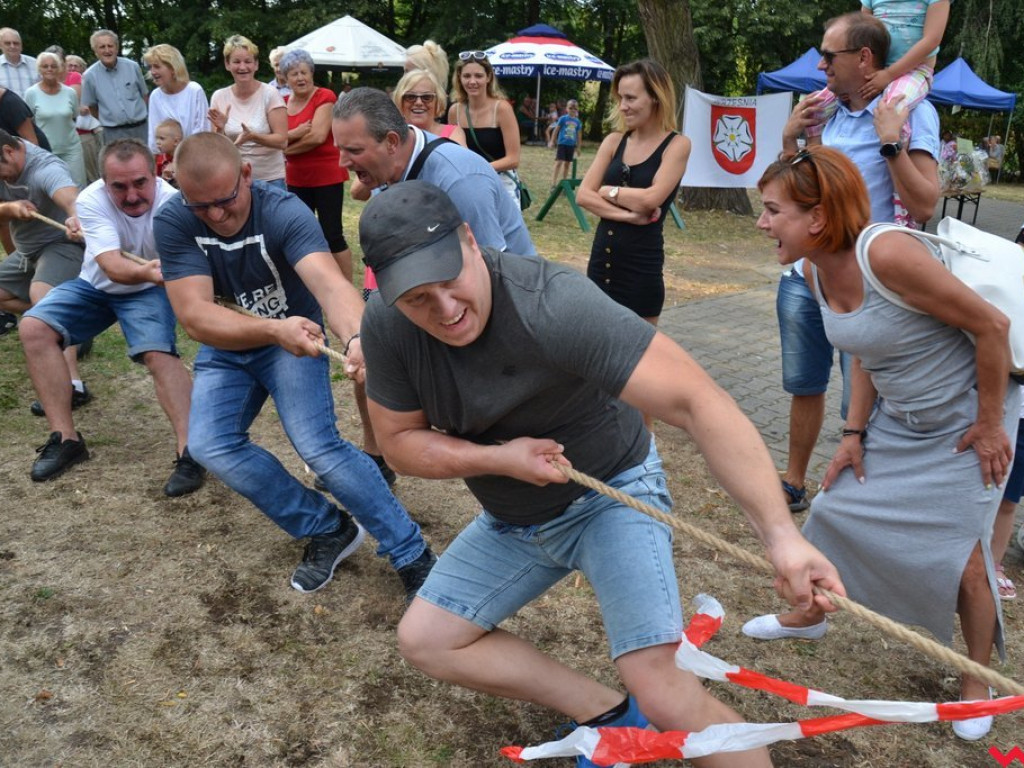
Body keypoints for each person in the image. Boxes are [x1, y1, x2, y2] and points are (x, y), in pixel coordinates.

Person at [356, 180, 844, 768]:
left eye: (449, 279)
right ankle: (612, 717)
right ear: (387, 293)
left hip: (613, 494)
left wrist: (782, 537)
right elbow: (399, 443)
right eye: (416, 299)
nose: (445, 309)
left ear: (469, 238)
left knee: (659, 682)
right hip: (514, 516)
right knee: (427, 641)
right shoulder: (385, 325)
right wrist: (495, 460)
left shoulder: (552, 303)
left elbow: (699, 402)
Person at [745, 145, 1013, 742]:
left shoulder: (886, 252)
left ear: (816, 217)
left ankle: (976, 681)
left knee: (966, 556)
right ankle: (810, 615)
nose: (762, 224)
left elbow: (992, 327)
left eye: (772, 211)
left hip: (969, 419)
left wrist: (992, 424)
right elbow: (864, 349)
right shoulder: (814, 269)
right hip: (901, 417)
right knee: (836, 507)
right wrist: (853, 433)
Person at [152, 132, 435, 598]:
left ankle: (411, 553)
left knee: (318, 446)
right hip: (236, 345)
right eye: (201, 206)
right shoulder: (174, 220)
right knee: (208, 444)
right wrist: (271, 329)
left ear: (247, 174)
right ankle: (327, 527)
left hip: (295, 339)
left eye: (225, 200)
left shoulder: (283, 210)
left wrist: (359, 336)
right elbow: (196, 317)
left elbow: (328, 284)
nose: (217, 216)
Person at [774, 11, 940, 513]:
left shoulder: (912, 112)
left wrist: (891, 141)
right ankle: (794, 480)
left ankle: (852, 497)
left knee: (860, 401)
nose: (820, 65)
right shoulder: (825, 115)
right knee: (804, 385)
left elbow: (927, 203)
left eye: (830, 55)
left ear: (864, 58)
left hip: (867, 282)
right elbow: (802, 193)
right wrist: (790, 142)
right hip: (806, 276)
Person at [19, 139, 205, 494]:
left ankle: (191, 451)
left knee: (158, 353)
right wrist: (151, 272)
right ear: (104, 183)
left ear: (155, 175)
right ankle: (66, 439)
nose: (132, 195)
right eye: (119, 186)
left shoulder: (173, 202)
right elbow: (112, 267)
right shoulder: (91, 200)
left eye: (140, 183)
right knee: (34, 326)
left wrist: (165, 277)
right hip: (99, 284)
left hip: (150, 290)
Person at [333, 87, 533, 257]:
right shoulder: (385, 169)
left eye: (354, 150)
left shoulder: (460, 180)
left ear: (391, 142)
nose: (342, 162)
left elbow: (491, 268)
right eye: (339, 148)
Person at [577, 59, 691, 328]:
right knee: (595, 347)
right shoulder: (614, 141)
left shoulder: (677, 145)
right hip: (601, 262)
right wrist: (628, 216)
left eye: (630, 97)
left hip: (641, 267)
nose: (623, 106)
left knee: (639, 355)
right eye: (620, 98)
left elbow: (651, 200)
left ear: (655, 97)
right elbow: (583, 195)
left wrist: (607, 191)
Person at [0, 130, 88, 410]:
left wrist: (76, 216)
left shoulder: (44, 167)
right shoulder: (5, 167)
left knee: (43, 296)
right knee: (35, 308)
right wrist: (10, 208)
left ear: (9, 151)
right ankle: (70, 322)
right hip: (27, 253)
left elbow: (69, 197)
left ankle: (73, 386)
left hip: (61, 244)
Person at [280, 49, 354, 282]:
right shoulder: (281, 103)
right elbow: (274, 135)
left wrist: (283, 150)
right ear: (285, 78)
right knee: (300, 234)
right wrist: (288, 139)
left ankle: (347, 287)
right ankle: (312, 284)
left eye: (304, 72)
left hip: (326, 175)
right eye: (294, 74)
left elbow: (317, 136)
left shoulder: (325, 96)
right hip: (296, 178)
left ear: (312, 73)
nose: (300, 78)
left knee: (332, 234)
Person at [209, 35, 287, 186]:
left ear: (256, 64)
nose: (242, 67)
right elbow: (217, 149)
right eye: (236, 62)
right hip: (236, 179)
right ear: (227, 64)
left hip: (270, 180)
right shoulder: (219, 97)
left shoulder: (270, 94)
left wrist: (252, 136)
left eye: (248, 61)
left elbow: (282, 141)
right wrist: (220, 129)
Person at [447, 51, 522, 204]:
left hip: (501, 183)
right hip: (468, 184)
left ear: (488, 77)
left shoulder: (502, 109)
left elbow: (513, 159)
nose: (472, 81)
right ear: (459, 78)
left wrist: (478, 169)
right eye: (467, 76)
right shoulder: (455, 111)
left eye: (478, 76)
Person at [25, 51, 86, 187]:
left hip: (72, 149)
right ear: (39, 69)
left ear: (59, 68)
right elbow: (29, 123)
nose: (49, 69)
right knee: (53, 188)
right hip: (46, 151)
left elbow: (74, 116)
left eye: (53, 66)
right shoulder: (31, 93)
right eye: (45, 66)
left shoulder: (70, 92)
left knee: (78, 187)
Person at [81, 30, 149, 145]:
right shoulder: (89, 76)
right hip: (113, 134)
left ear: (116, 48)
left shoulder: (132, 67)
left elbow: (144, 95)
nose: (107, 50)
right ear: (95, 51)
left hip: (141, 128)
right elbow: (92, 107)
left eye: (110, 46)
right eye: (102, 47)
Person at [143, 44, 209, 155]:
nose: (153, 72)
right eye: (150, 67)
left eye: (157, 67)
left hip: (195, 156)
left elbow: (202, 131)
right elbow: (154, 137)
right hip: (165, 160)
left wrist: (180, 160)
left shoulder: (194, 90)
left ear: (173, 68)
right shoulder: (155, 96)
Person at [65, 54, 102, 184]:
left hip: (87, 133)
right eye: (70, 65)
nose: (73, 68)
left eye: (77, 66)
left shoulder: (88, 81)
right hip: (71, 134)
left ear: (82, 68)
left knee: (93, 172)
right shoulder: (58, 83)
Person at [547, 99, 581, 188]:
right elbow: (556, 130)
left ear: (577, 109)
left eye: (575, 108)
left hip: (571, 145)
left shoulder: (577, 122)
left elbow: (578, 135)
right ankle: (553, 184)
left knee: (567, 164)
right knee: (559, 162)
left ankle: (564, 183)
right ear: (566, 109)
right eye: (570, 108)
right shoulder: (563, 118)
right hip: (562, 144)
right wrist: (552, 141)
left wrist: (578, 147)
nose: (573, 110)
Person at [0, 28, 39, 97]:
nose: (12, 46)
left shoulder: (35, 64)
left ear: (21, 46)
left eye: (16, 43)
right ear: (1, 46)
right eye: (7, 43)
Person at [153, 117, 182, 183]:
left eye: (162, 138)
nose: (158, 142)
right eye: (156, 138)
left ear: (176, 141)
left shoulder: (185, 159)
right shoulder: (159, 160)